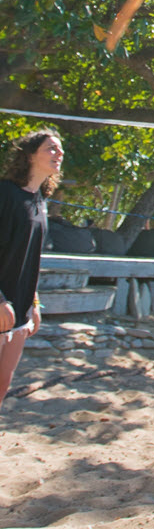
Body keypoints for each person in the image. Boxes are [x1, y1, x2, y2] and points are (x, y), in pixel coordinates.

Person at [0, 129, 64, 409]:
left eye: (60, 149)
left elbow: (29, 258)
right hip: (2, 303)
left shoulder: (40, 201)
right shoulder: (4, 193)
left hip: (21, 308)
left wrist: (34, 302)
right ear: (29, 155)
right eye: (51, 148)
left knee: (3, 382)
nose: (59, 154)